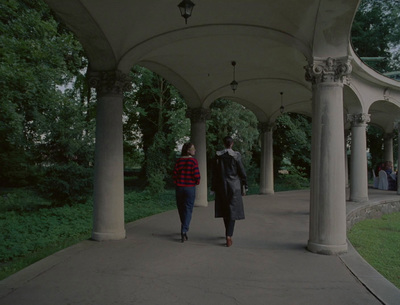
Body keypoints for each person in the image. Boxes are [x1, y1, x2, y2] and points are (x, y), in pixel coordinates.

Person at [211, 136, 247, 247]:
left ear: (224, 143)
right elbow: (242, 172)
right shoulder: (236, 156)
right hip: (234, 187)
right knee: (233, 211)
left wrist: (213, 187)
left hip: (222, 186)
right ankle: (229, 235)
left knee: (225, 210)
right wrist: (245, 185)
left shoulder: (218, 157)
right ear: (232, 144)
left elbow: (215, 173)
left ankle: (227, 232)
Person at [173, 142, 200, 242]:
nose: (195, 150)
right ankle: (184, 230)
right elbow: (197, 175)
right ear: (188, 150)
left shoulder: (179, 161)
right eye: (193, 149)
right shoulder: (193, 161)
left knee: (181, 208)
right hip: (189, 187)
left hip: (179, 187)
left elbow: (174, 174)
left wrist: (177, 182)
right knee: (188, 209)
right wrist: (196, 182)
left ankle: (183, 228)